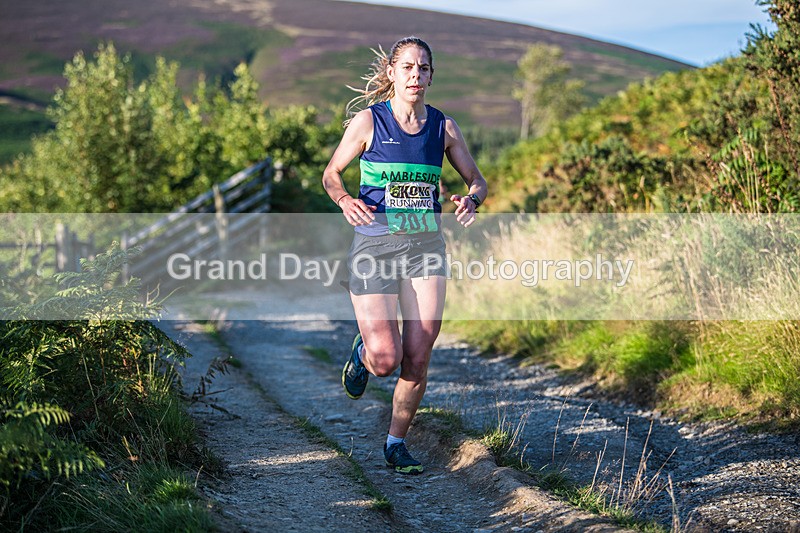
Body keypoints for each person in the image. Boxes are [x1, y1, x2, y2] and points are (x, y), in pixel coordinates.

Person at [322, 36, 488, 475]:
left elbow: (477, 180)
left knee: (419, 352)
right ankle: (362, 355)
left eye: (424, 68)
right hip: (374, 248)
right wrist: (343, 200)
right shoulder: (368, 122)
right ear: (392, 73)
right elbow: (332, 173)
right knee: (385, 359)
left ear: (432, 75)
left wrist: (472, 199)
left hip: (425, 249)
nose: (416, 75)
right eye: (408, 68)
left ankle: (396, 444)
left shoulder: (444, 128)